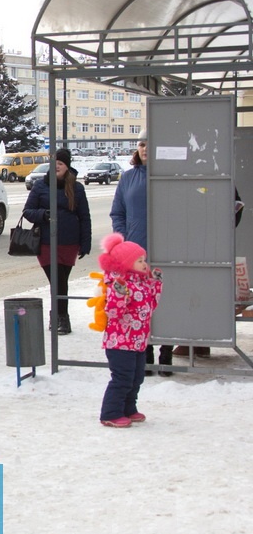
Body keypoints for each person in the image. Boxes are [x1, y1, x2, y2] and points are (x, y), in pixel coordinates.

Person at [110, 133, 178, 374]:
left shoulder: (170, 176)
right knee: (140, 303)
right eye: (141, 144)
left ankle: (166, 353)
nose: (145, 148)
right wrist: (125, 239)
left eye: (150, 143)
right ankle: (145, 353)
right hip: (137, 254)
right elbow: (117, 212)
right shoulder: (128, 178)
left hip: (168, 250)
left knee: (166, 302)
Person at [22, 148, 92, 335]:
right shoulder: (40, 186)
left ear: (66, 166)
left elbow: (84, 216)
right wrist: (43, 214)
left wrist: (86, 243)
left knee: (61, 282)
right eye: (53, 164)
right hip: (46, 242)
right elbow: (27, 211)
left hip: (69, 242)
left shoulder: (76, 188)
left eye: (60, 164)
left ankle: (58, 316)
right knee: (58, 281)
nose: (56, 167)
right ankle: (62, 318)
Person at [97, 233, 163, 427]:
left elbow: (151, 305)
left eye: (144, 260)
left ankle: (128, 408)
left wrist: (156, 283)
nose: (144, 264)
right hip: (119, 342)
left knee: (136, 378)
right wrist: (118, 294)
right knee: (122, 379)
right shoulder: (119, 283)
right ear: (126, 263)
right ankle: (110, 413)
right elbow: (114, 312)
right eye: (139, 261)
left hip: (138, 341)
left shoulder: (141, 283)